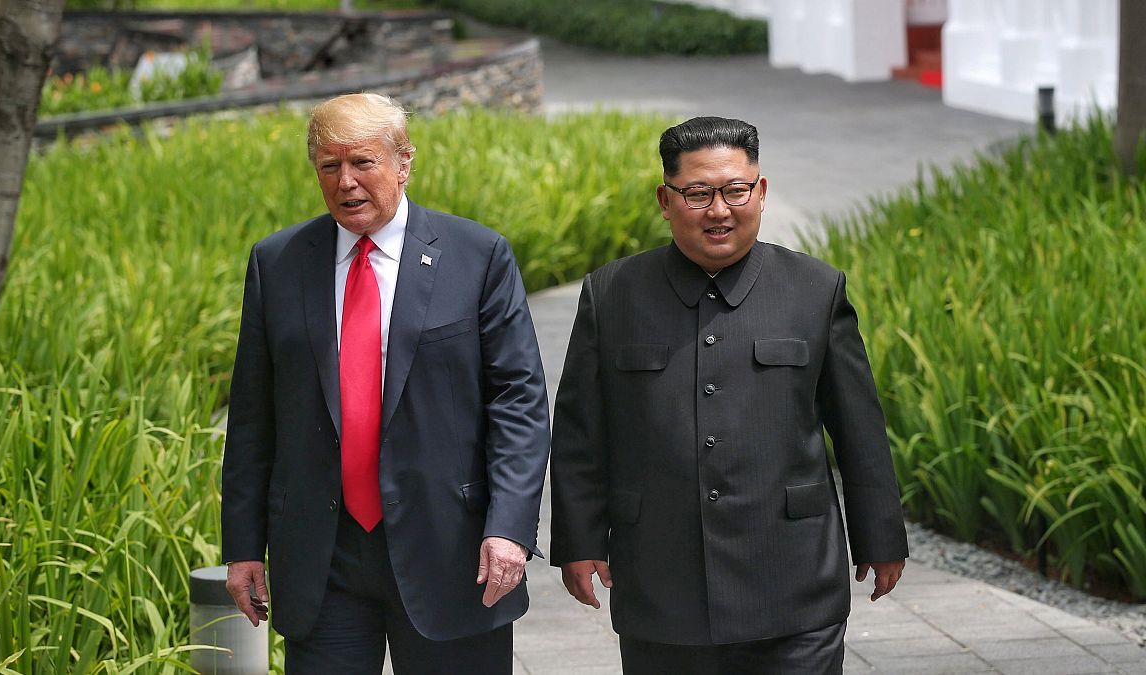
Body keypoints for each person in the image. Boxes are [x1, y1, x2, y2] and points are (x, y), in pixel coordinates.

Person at [549, 116, 909, 674]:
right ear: (666, 201)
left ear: (760, 192)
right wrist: (578, 539)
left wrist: (880, 534)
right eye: (697, 194)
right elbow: (579, 432)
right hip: (662, 581)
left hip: (794, 579)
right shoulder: (612, 294)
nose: (719, 210)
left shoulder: (814, 289)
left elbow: (858, 424)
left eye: (735, 191)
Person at [220, 93, 551, 674]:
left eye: (362, 162)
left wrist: (509, 529)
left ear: (403, 162)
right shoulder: (277, 262)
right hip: (324, 559)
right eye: (329, 165)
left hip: (452, 551)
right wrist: (243, 548)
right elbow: (253, 415)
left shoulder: (476, 256)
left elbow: (518, 402)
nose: (346, 181)